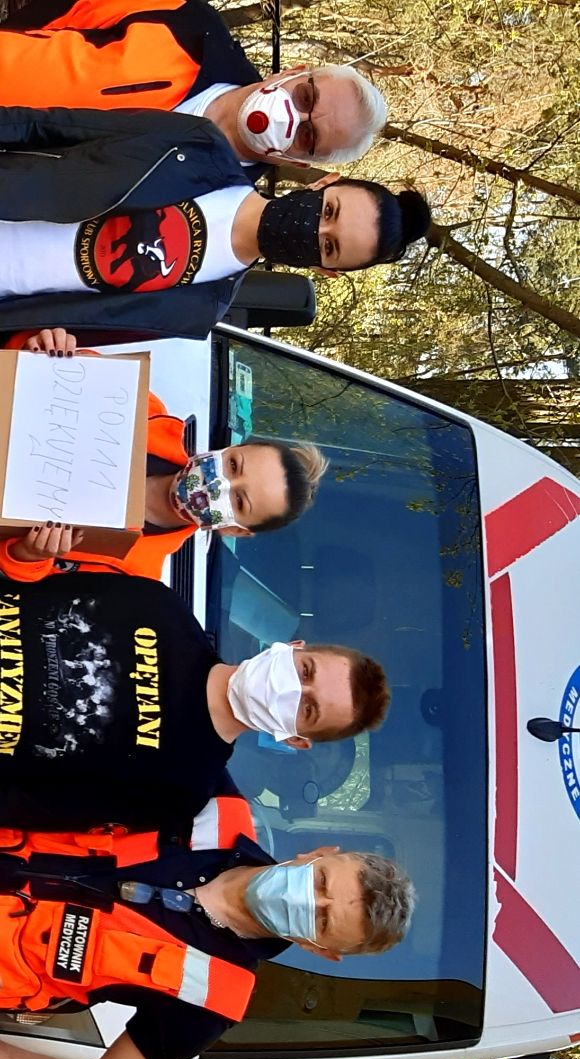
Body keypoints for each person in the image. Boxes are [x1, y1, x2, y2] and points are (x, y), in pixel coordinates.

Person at [0, 779, 416, 1059]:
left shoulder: (214, 996)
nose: (305, 899)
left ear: (318, 949)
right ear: (316, 854)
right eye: (321, 881)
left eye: (321, 920)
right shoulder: (210, 800)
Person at [0, 106, 431, 342]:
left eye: (329, 246)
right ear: (323, 182)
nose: (313, 229)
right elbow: (51, 125)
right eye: (329, 211)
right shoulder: (199, 144)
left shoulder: (196, 313)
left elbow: (41, 337)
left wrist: (43, 344)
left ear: (324, 270)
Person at [0, 571, 390, 831]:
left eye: (307, 709)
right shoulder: (159, 606)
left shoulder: (181, 791)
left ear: (294, 740)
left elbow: (29, 805)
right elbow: (24, 584)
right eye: (305, 671)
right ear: (292, 647)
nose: (289, 689)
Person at [0, 332, 327, 580]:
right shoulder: (141, 409)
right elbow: (19, 356)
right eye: (233, 465)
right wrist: (42, 347)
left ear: (235, 530)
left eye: (239, 500)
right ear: (227, 449)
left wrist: (29, 555)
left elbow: (28, 601)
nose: (219, 484)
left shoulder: (136, 574)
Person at [0, 0, 387, 175]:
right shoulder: (189, 22)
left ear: (299, 162)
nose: (290, 117)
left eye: (307, 135)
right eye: (305, 97)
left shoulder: (211, 213)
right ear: (294, 71)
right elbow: (72, 8)